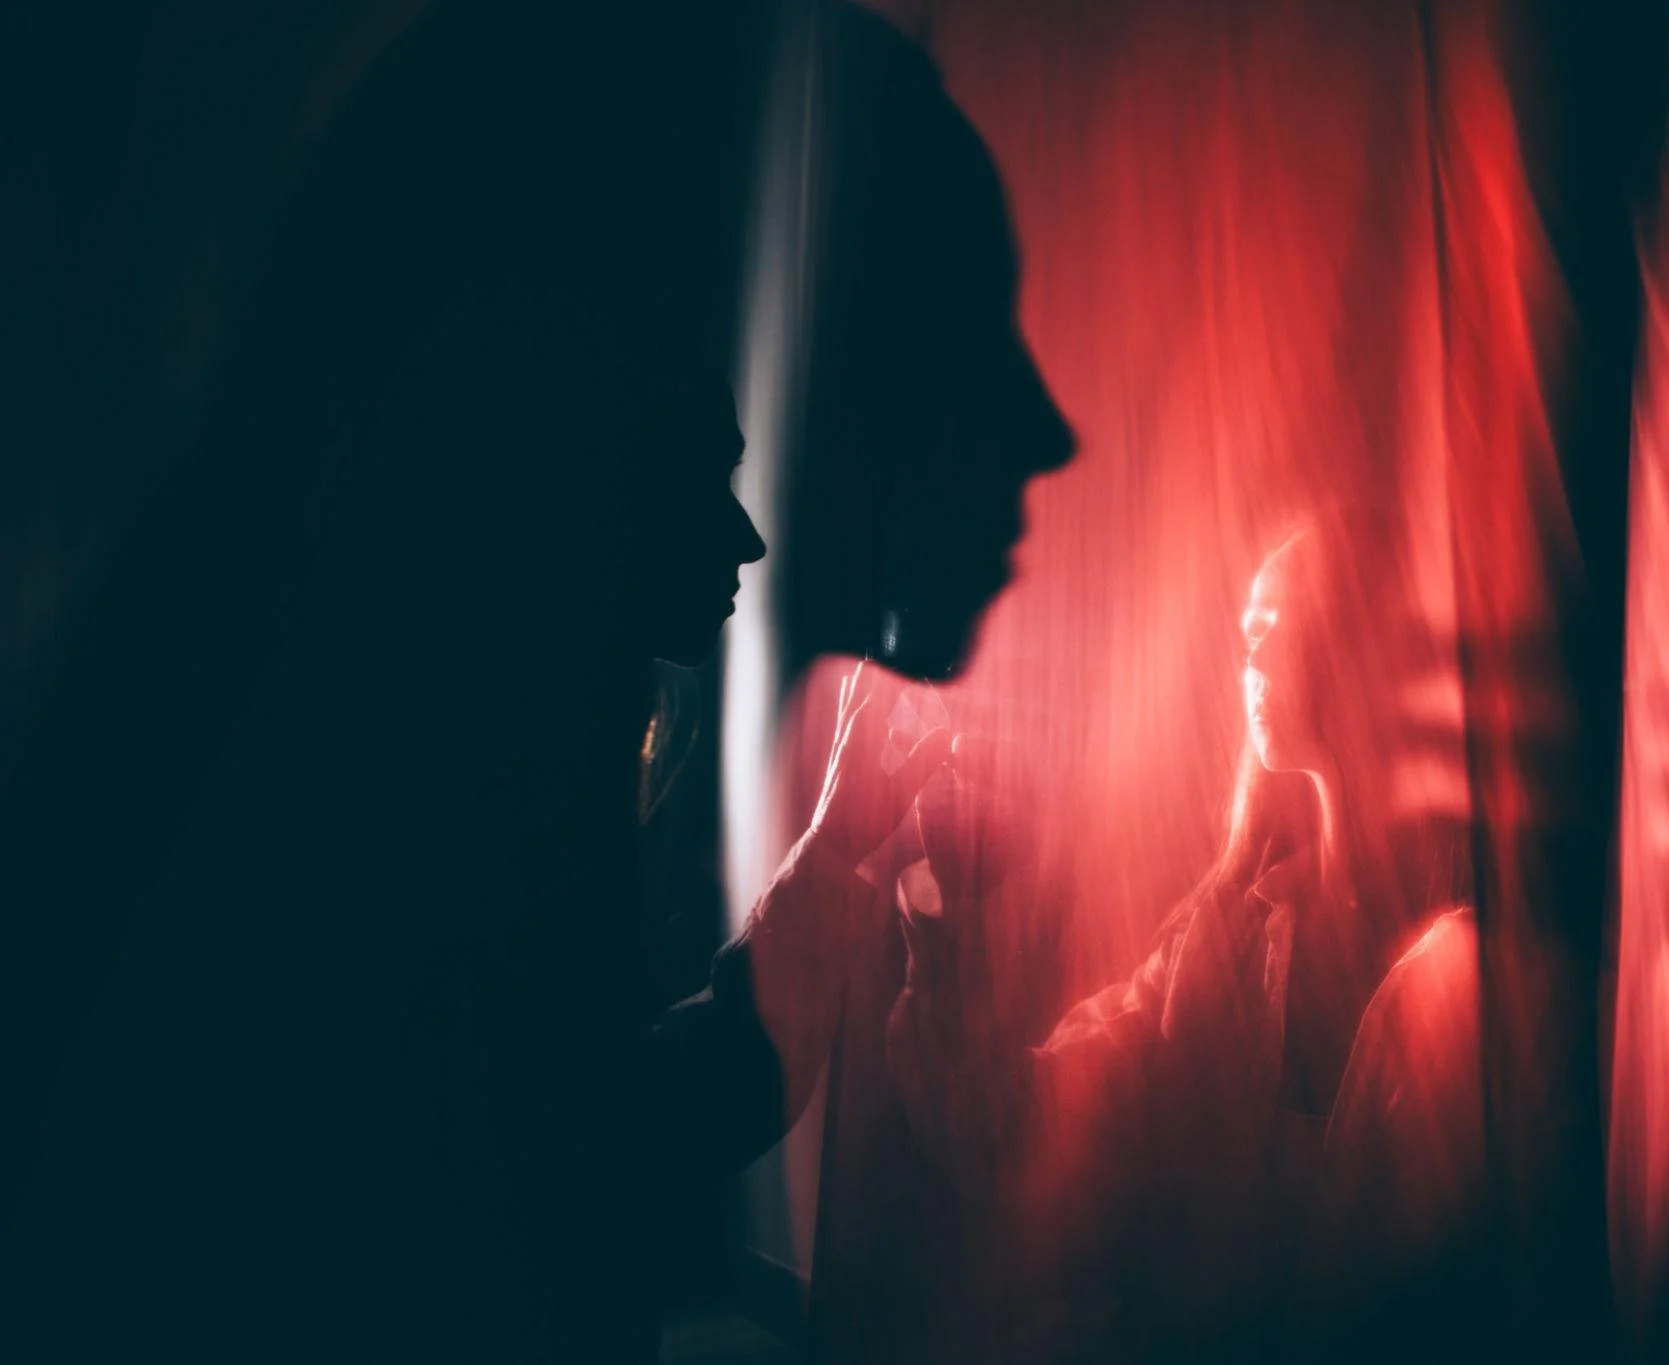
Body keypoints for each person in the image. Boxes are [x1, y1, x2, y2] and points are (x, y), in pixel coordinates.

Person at [0, 2, 1070, 1362]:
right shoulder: (369, 837)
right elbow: (489, 1201)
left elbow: (523, 1151)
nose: (1047, 426)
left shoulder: (365, 779)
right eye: (959, 318)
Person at [884, 509, 1489, 1363]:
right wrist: (941, 919)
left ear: (1363, 643)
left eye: (1278, 618)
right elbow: (1031, 1124)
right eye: (1246, 626)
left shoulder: (1468, 974)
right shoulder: (1223, 934)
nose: (1249, 649)